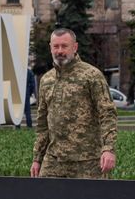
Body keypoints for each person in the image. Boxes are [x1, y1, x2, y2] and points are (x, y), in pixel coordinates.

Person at [30, 28, 118, 179]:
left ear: (75, 47)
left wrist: (108, 149)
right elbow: (42, 123)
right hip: (54, 161)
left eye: (64, 46)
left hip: (87, 161)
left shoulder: (91, 76)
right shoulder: (46, 80)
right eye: (56, 46)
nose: (60, 51)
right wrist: (37, 158)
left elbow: (107, 113)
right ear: (50, 47)